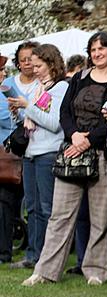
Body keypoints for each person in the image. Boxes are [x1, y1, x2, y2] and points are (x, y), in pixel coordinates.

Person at [21, 32, 107, 287]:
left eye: (102, 48)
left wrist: (89, 140)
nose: (97, 53)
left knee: (100, 217)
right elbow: (65, 112)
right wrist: (75, 136)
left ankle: (96, 271)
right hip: (71, 152)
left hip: (102, 153)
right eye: (93, 49)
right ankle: (45, 271)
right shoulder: (78, 78)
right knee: (60, 215)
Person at [6, 44, 68, 272]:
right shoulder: (40, 89)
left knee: (46, 208)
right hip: (31, 152)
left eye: (39, 65)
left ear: (51, 64)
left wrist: (28, 106)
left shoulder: (60, 88)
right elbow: (35, 119)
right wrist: (20, 113)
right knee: (31, 208)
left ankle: (49, 258)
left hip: (48, 152)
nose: (35, 70)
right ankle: (33, 253)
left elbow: (53, 123)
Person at [5, 41, 40, 269]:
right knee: (10, 202)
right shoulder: (8, 83)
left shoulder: (42, 84)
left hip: (36, 147)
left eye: (31, 58)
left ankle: (36, 251)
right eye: (23, 59)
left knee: (35, 204)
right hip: (11, 149)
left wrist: (26, 108)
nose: (27, 63)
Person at [0, 52, 25, 265]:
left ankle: (3, 252)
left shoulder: (8, 89)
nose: (2, 74)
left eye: (2, 70)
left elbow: (20, 116)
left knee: (4, 204)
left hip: (5, 156)